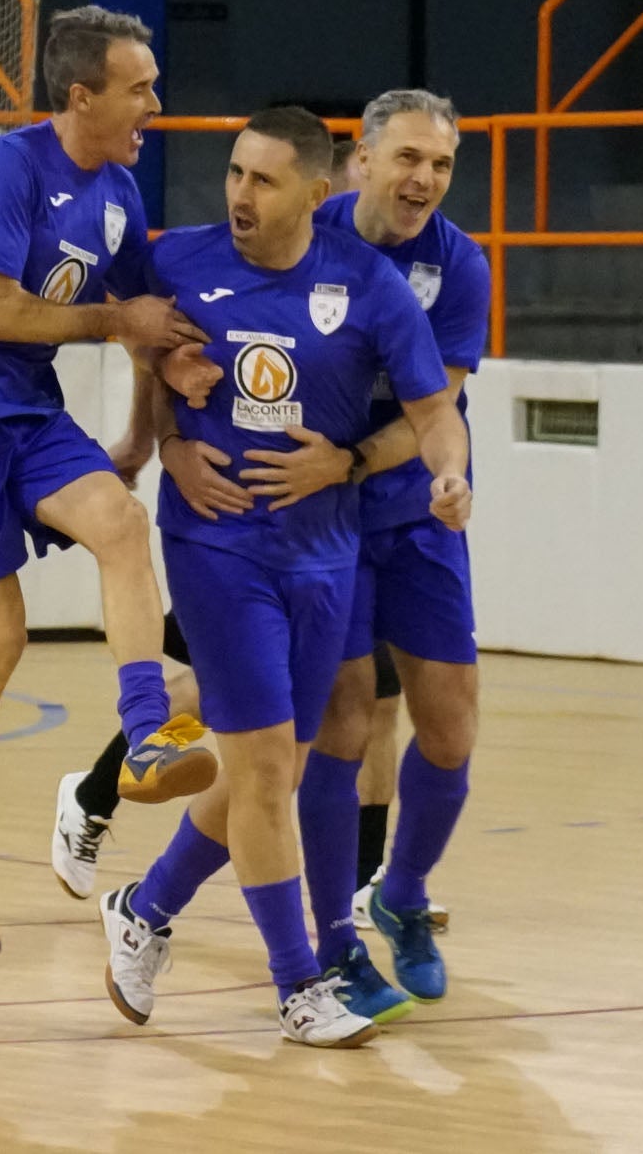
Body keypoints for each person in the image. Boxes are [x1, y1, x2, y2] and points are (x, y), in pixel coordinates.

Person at [96, 105, 472, 1048]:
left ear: (317, 193)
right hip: (219, 545)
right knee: (267, 766)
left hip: (328, 551)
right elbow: (134, 331)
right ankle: (301, 982)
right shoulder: (176, 258)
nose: (238, 194)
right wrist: (166, 435)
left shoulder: (373, 286)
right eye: (232, 172)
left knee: (278, 767)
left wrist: (450, 471)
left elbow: (435, 409)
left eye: (261, 180)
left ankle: (145, 905)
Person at [0, 6, 219, 958]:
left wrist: (179, 369)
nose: (156, 101)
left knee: (120, 519)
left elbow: (149, 310)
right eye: (140, 86)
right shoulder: (7, 168)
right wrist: (121, 325)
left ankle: (146, 735)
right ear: (82, 95)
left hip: (23, 408)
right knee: (0, 634)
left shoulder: (115, 187)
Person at [211, 89, 485, 1012]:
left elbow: (432, 408)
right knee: (339, 719)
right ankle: (332, 942)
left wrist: (422, 474)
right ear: (359, 163)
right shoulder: (305, 226)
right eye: (408, 158)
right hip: (316, 524)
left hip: (406, 507)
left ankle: (399, 893)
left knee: (449, 727)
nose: (424, 180)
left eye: (441, 165)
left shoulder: (461, 267)